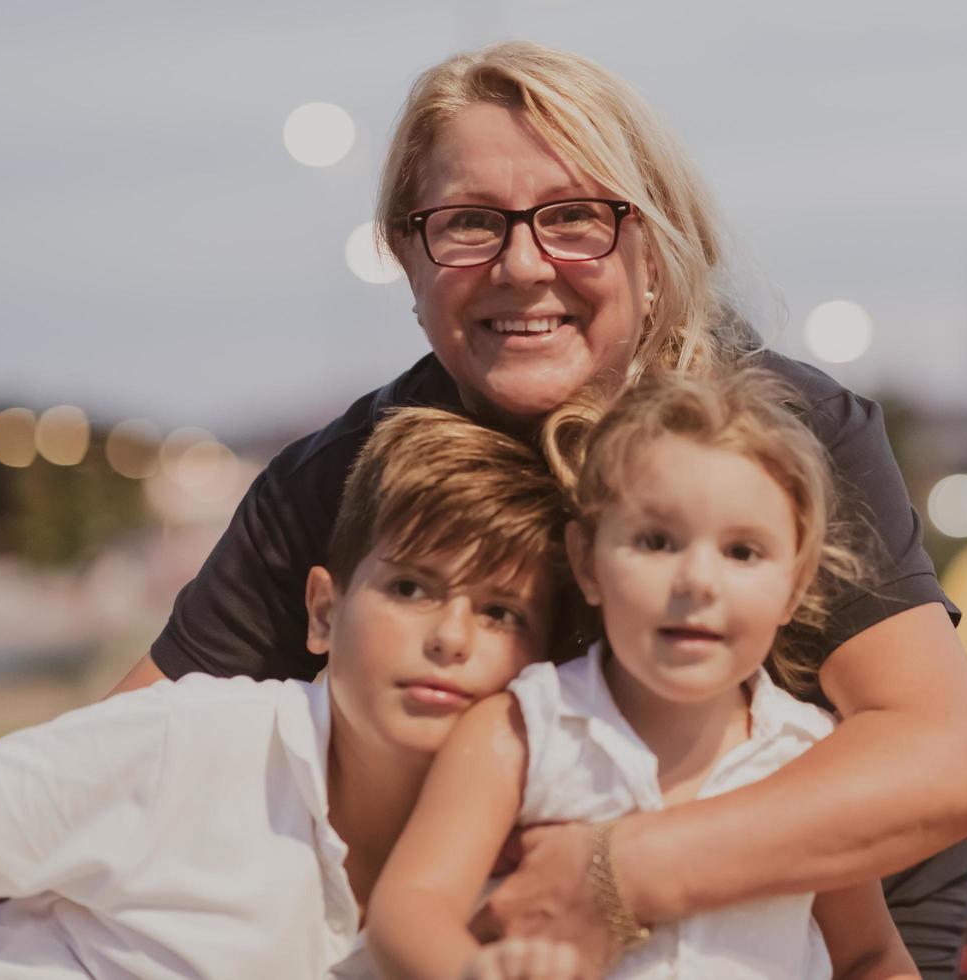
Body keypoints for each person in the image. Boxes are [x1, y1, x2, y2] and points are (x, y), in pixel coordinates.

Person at [109, 40, 967, 977]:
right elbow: (123, 757)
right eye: (467, 224)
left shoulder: (773, 437)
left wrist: (623, 869)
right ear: (406, 255)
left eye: (576, 218)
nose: (524, 265)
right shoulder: (341, 481)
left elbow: (944, 760)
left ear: (652, 245)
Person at [370, 369, 920, 980]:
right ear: (587, 562)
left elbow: (869, 954)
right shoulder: (521, 730)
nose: (697, 582)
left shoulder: (810, 757)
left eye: (742, 552)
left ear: (795, 586)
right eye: (657, 542)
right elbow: (410, 906)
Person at [0, 408, 568, 979]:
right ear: (322, 613)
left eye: (500, 612)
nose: (451, 637)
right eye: (411, 588)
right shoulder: (191, 743)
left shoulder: (523, 879)